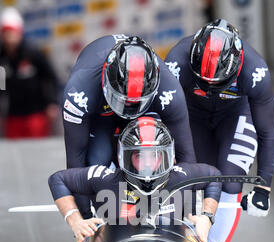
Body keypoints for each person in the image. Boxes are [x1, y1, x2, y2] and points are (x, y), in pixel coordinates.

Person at [165, 19, 274, 242]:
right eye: (205, 81)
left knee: (230, 180)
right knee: (194, 178)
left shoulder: (255, 70)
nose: (212, 86)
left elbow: (267, 132)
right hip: (193, 116)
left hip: (237, 115)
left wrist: (263, 187)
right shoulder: (177, 61)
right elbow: (164, 115)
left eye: (219, 81)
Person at [62, 34, 197, 220]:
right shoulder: (79, 94)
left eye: (134, 102)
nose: (127, 109)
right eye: (123, 100)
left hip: (145, 111)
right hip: (100, 114)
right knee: (97, 159)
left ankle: (152, 207)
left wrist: (187, 212)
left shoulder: (170, 91)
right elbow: (75, 161)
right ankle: (107, 213)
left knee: (152, 151)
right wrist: (85, 217)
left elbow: (186, 155)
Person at [49, 116, 221, 242]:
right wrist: (75, 220)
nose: (147, 165)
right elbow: (58, 180)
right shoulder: (106, 179)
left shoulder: (180, 176)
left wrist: (207, 217)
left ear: (166, 158)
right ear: (125, 158)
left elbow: (214, 176)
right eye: (139, 157)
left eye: (153, 157)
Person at [0, 7, 59, 138]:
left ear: (19, 33)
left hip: (36, 115)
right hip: (13, 116)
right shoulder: (2, 58)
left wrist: (52, 103)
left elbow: (50, 77)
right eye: (6, 33)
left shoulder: (33, 53)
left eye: (12, 33)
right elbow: (1, 85)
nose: (9, 38)